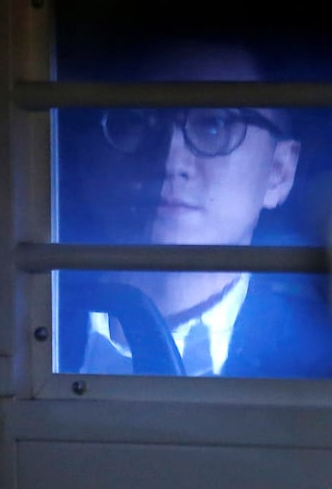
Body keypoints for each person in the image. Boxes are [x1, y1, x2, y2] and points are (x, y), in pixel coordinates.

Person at [58, 38, 332, 378]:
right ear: (88, 159)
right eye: (134, 122)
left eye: (214, 125)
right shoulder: (16, 332)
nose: (170, 159)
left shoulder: (319, 364)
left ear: (279, 171)